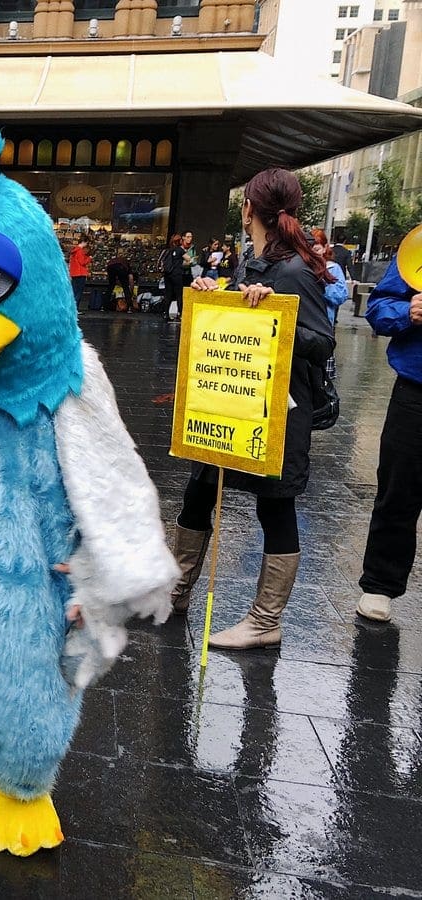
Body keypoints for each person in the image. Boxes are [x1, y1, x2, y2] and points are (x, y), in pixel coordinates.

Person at [168, 168, 336, 649]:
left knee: (275, 507)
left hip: (277, 413)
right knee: (199, 492)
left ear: (248, 210)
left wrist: (275, 310)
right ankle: (177, 592)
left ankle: (265, 622)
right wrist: (216, 296)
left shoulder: (293, 271)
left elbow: (321, 343)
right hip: (231, 404)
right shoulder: (252, 262)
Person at [350, 255, 422, 623]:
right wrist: (409, 310)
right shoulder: (418, 246)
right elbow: (378, 307)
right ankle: (380, 584)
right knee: (398, 488)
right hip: (416, 390)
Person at [159, 232, 186, 321]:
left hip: (168, 274)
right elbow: (189, 259)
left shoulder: (168, 250)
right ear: (180, 241)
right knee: (179, 294)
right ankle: (179, 314)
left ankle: (165, 313)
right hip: (177, 274)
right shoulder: (180, 250)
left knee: (168, 294)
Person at [68, 235, 91, 309]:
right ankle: (75, 309)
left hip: (74, 273)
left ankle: (71, 309)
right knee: (79, 292)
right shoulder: (80, 251)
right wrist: (89, 258)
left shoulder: (74, 251)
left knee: (74, 292)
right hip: (80, 273)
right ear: (84, 242)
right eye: (86, 243)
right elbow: (82, 262)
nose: (86, 245)